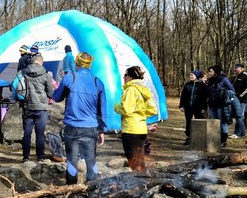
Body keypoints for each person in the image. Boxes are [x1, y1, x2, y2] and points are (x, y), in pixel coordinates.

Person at [52, 52, 109, 184]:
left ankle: (71, 192)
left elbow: (57, 97)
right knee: (91, 160)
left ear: (76, 63)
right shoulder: (98, 82)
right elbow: (102, 110)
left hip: (72, 127)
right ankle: (91, 191)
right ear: (90, 65)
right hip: (90, 128)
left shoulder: (69, 78)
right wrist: (101, 131)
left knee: (72, 161)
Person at [114, 66, 158, 172]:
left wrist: (116, 107)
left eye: (125, 75)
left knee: (133, 159)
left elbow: (127, 110)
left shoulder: (131, 90)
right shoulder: (144, 90)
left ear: (130, 77)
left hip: (130, 129)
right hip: (141, 129)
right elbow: (153, 110)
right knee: (139, 158)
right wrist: (140, 115)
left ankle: (138, 179)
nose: (123, 78)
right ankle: (143, 177)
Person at [20, 54, 55, 162]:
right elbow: (51, 93)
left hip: (27, 107)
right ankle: (40, 157)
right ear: (41, 62)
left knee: (27, 133)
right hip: (41, 108)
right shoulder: (46, 75)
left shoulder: (23, 73)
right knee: (40, 134)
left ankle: (26, 157)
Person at [205, 65, 236, 148]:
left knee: (222, 122)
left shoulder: (224, 79)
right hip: (212, 104)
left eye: (211, 71)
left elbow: (232, 90)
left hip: (221, 104)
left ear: (216, 72)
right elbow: (208, 91)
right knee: (213, 122)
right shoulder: (210, 81)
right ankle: (214, 139)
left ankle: (223, 140)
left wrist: (224, 94)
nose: (209, 73)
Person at [178, 69, 207, 146]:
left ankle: (199, 137)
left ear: (197, 76)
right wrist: (181, 105)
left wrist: (204, 108)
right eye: (190, 75)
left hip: (198, 107)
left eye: (192, 75)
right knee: (188, 122)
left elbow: (204, 98)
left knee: (199, 121)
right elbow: (183, 96)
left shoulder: (202, 86)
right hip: (188, 107)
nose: (190, 76)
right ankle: (188, 137)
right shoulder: (187, 85)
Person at [231, 63, 247, 137]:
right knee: (238, 116)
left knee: (239, 115)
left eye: (236, 68)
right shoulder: (235, 77)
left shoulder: (246, 75)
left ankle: (238, 133)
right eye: (234, 68)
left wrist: (241, 95)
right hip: (235, 99)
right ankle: (241, 132)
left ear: (241, 69)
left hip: (242, 100)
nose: (235, 69)